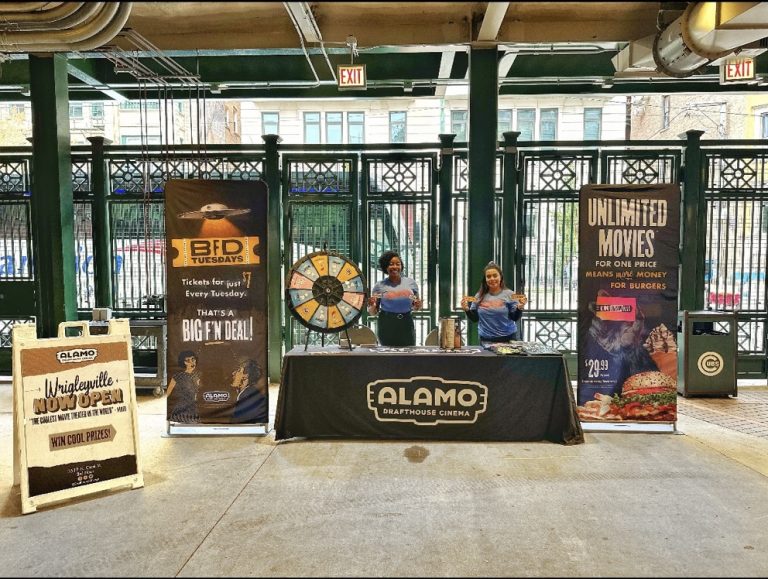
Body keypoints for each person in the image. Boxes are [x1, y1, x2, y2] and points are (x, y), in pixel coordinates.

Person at [367, 250, 422, 346]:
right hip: (386, 323)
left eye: (398, 264)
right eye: (391, 264)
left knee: (409, 355)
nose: (395, 267)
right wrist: (372, 305)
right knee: (387, 356)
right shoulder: (379, 286)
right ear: (385, 267)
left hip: (406, 323)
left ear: (401, 266)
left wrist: (418, 306)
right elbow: (373, 312)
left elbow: (416, 306)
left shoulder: (411, 283)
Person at [461, 262, 525, 343]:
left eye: (495, 275)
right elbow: (475, 319)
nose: (492, 279)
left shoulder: (510, 295)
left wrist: (519, 308)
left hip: (508, 339)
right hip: (485, 340)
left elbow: (514, 318)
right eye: (488, 276)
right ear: (485, 279)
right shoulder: (478, 296)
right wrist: (466, 309)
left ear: (500, 277)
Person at [166, 350, 201, 423]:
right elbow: (168, 393)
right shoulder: (177, 377)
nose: (192, 362)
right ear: (184, 362)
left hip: (195, 408)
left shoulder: (199, 375)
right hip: (182, 409)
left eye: (193, 359)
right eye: (188, 360)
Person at [230, 358, 267, 423]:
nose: (233, 373)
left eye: (237, 371)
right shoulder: (246, 394)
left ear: (246, 376)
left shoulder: (249, 397)